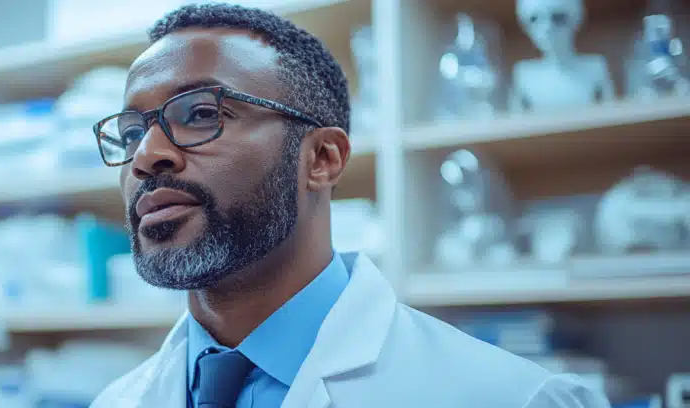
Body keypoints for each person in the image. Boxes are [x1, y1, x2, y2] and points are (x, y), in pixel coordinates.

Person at [89, 3, 612, 408]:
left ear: (322, 158)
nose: (147, 156)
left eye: (201, 113)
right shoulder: (115, 400)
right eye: (131, 134)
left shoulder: (509, 398)